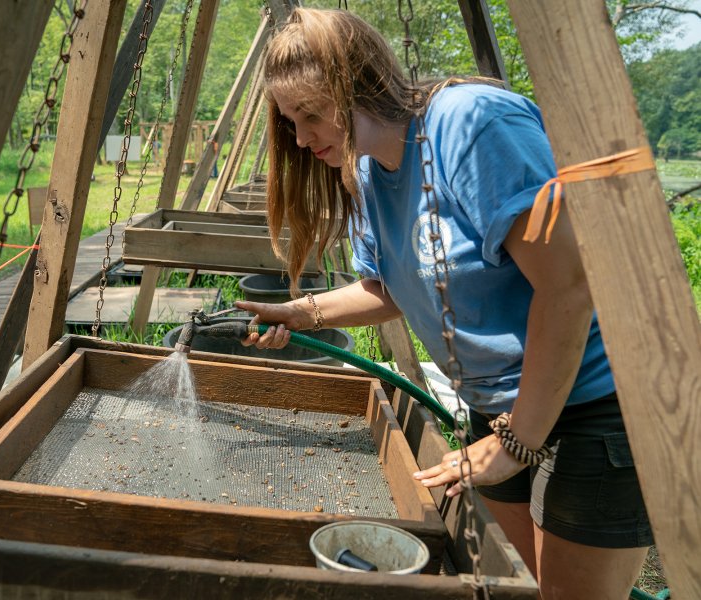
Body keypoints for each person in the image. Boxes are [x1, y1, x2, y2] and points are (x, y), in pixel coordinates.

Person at [234, 8, 652, 600]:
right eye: (289, 121)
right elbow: (387, 290)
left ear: (359, 83)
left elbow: (571, 285)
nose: (300, 138)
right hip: (498, 413)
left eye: (310, 114)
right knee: (524, 584)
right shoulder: (367, 173)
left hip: (591, 406)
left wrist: (516, 443)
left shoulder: (473, 125)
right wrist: (303, 312)